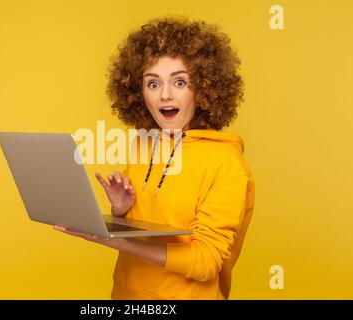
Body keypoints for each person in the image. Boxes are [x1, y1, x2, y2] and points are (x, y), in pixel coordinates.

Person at [53, 16, 255, 300]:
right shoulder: (144, 144)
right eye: (153, 84)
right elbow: (147, 225)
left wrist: (113, 240)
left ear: (205, 88)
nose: (166, 95)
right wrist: (121, 211)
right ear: (138, 92)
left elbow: (207, 262)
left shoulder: (227, 163)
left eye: (180, 82)